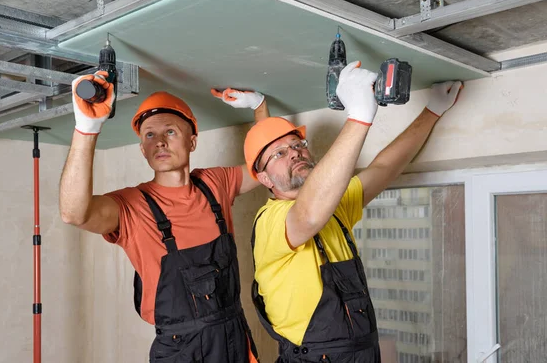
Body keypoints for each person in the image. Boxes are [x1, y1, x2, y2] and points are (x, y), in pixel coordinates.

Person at [243, 61, 463, 362]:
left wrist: (433, 111)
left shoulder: (335, 206)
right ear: (265, 179)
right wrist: (358, 117)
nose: (295, 152)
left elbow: (385, 167)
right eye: (279, 154)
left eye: (298, 145)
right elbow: (307, 215)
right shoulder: (270, 221)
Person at [59, 72, 269, 363]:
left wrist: (259, 106)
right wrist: (87, 127)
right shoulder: (131, 206)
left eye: (170, 131)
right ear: (142, 149)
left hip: (233, 335)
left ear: (192, 142)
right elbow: (73, 212)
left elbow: (267, 163)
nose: (159, 142)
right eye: (149, 135)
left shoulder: (214, 183)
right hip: (181, 349)